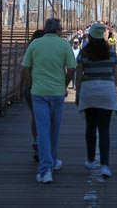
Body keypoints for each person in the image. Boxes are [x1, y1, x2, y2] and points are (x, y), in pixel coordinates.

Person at [21, 17, 76, 184]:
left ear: (45, 29)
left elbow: (25, 68)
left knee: (42, 130)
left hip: (38, 93)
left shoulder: (35, 44)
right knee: (54, 130)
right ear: (58, 30)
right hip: (57, 94)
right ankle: (48, 166)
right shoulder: (64, 45)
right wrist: (63, 85)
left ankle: (47, 167)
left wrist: (32, 85)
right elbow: (72, 69)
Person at [75, 22, 117, 179]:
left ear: (90, 35)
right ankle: (105, 166)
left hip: (88, 91)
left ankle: (90, 160)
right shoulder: (112, 53)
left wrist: (77, 94)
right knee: (104, 129)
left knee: (90, 127)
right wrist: (112, 92)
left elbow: (79, 76)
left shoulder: (83, 52)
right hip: (107, 91)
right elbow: (115, 77)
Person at [19, 28, 45, 161]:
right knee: (45, 117)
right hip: (44, 88)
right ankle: (44, 144)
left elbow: (24, 69)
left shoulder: (30, 50)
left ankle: (37, 142)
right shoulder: (46, 51)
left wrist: (22, 86)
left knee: (35, 116)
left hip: (30, 89)